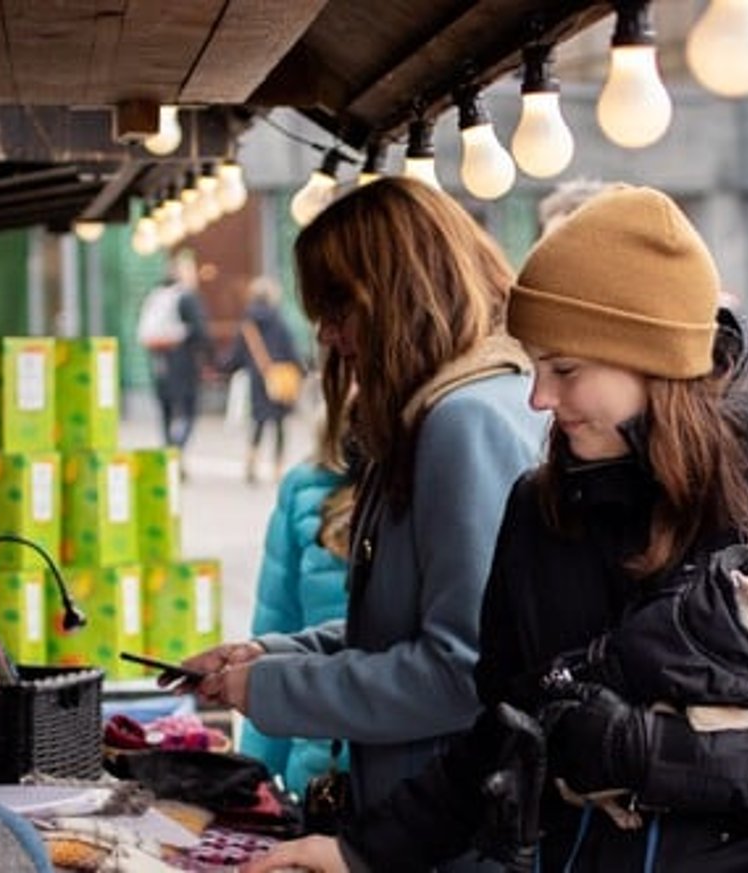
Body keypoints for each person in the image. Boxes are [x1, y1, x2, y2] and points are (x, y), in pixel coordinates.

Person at [247, 185, 748, 872]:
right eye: (536, 366)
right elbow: (505, 728)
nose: (539, 397)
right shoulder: (541, 506)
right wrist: (364, 851)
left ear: (656, 359)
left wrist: (651, 752)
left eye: (564, 369)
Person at [181, 178, 549, 866]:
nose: (326, 334)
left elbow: (460, 670)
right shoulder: (453, 407)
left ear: (398, 295)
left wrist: (272, 688)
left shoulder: (460, 423)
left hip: (447, 839)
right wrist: (276, 655)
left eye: (337, 308)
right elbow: (416, 624)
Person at [235, 369, 357, 795]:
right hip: (317, 776)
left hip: (407, 779)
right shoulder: (304, 488)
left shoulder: (429, 481)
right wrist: (251, 780)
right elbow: (273, 633)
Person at [224, 276, 304, 482]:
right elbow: (291, 351)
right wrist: (302, 371)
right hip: (279, 379)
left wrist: (224, 368)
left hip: (257, 380)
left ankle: (251, 462)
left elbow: (237, 355)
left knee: (258, 422)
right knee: (279, 425)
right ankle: (277, 468)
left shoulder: (247, 324)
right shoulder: (279, 321)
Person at [137, 252, 211, 452]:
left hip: (160, 361)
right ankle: (176, 452)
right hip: (184, 363)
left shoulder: (157, 294)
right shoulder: (187, 297)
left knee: (166, 409)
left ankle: (168, 451)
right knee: (188, 409)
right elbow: (201, 332)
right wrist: (209, 359)